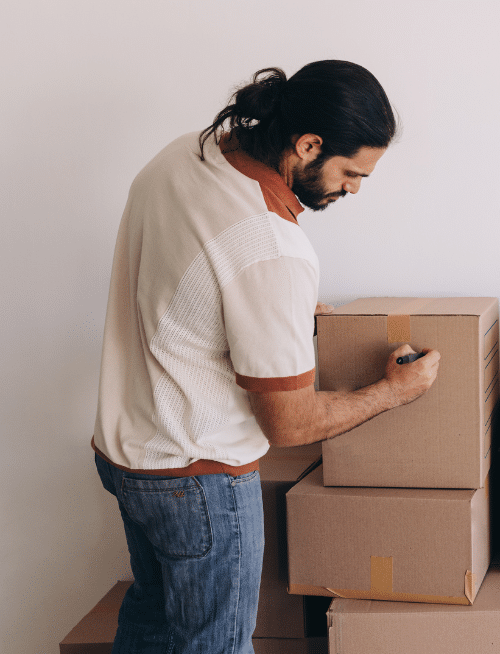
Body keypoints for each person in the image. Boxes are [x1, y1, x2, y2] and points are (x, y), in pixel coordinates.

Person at [92, 60, 440, 654]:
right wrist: (394, 393)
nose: (354, 188)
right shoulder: (271, 246)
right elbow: (289, 424)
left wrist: (279, 315)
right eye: (352, 172)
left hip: (125, 456)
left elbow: (196, 284)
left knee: (152, 629)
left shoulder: (185, 155)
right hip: (198, 481)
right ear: (308, 145)